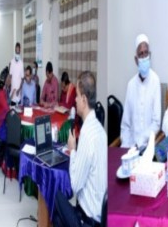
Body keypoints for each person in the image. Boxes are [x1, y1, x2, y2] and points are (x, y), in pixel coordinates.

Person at [54, 71, 106, 226]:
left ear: (84, 99)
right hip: (100, 215)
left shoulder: (87, 135)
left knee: (54, 193)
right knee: (57, 219)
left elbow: (75, 186)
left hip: (88, 220)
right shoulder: (100, 130)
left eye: (77, 96)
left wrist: (72, 150)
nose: (75, 100)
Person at [120, 34, 161, 148]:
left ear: (150, 55)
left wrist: (141, 140)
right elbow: (125, 125)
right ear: (136, 60)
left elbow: (156, 123)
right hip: (130, 146)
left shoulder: (155, 80)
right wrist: (126, 146)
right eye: (141, 54)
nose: (144, 57)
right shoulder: (131, 85)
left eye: (146, 53)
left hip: (148, 146)